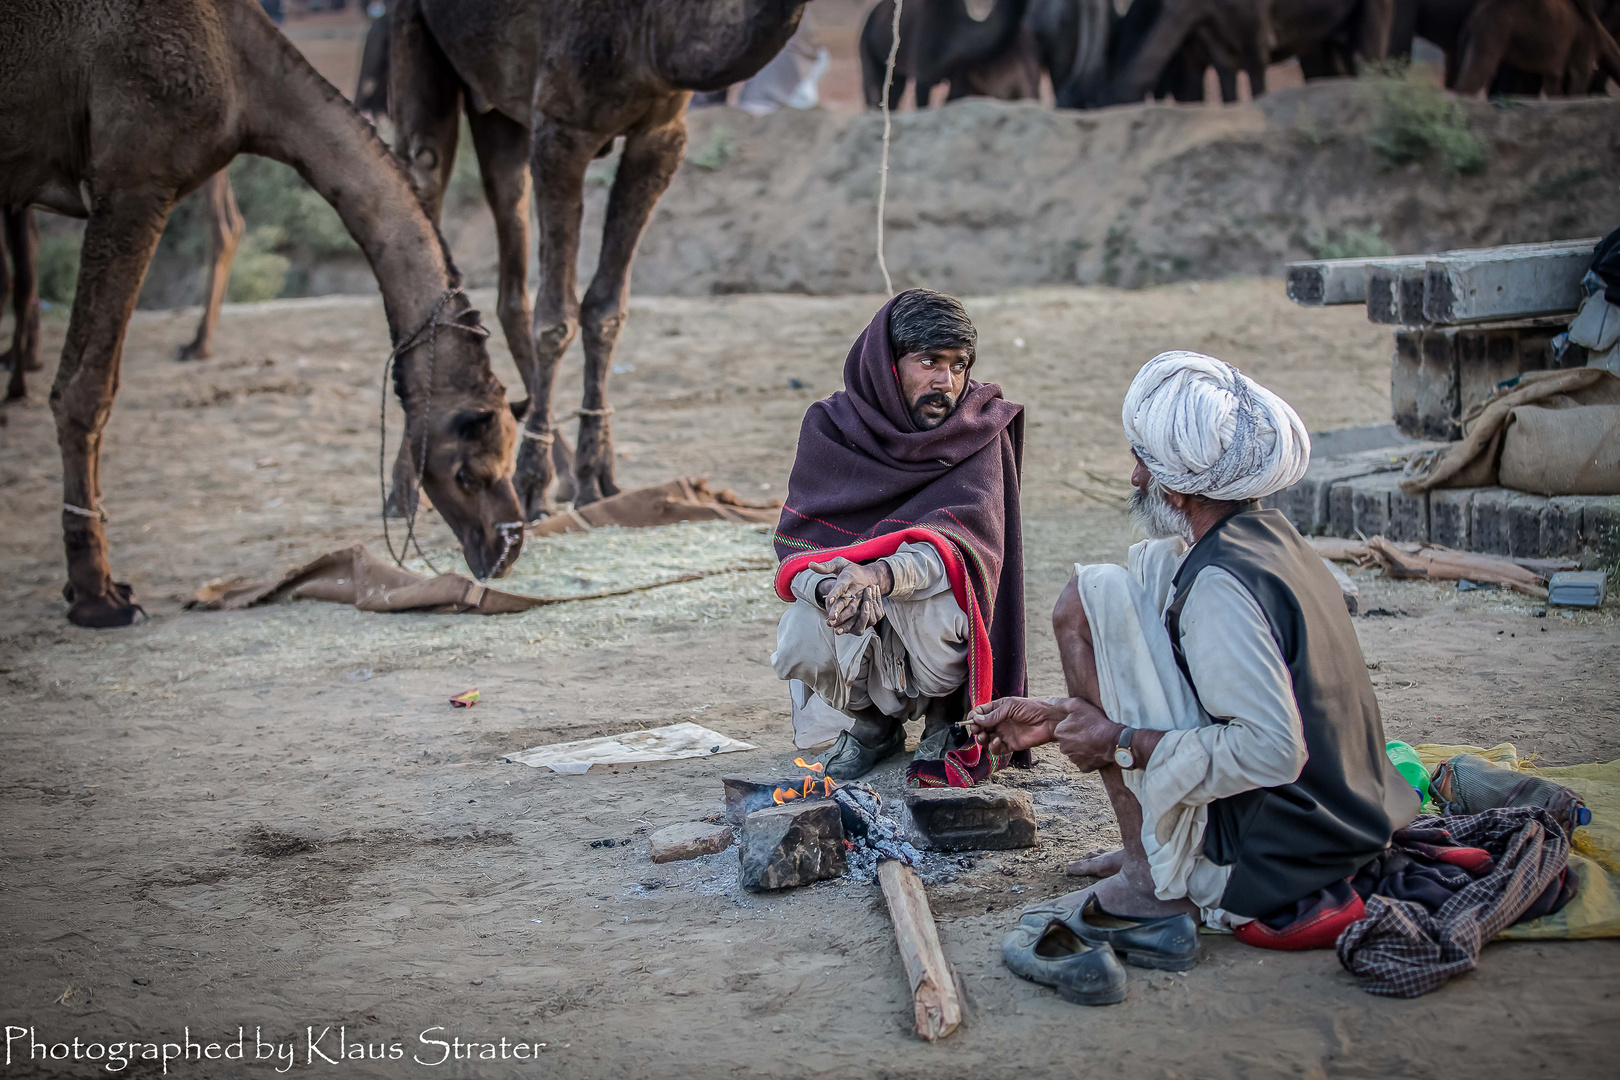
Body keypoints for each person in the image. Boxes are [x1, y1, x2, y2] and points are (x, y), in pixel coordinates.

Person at [971, 351, 1419, 930]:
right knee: (1118, 584)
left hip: (1284, 858)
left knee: (1091, 596)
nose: (1134, 477)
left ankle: (1154, 877)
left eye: (1141, 461)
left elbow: (1272, 751)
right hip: (1340, 819)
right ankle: (1153, 854)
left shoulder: (1220, 586)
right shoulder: (1273, 540)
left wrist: (1119, 739)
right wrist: (1061, 717)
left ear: (1179, 489)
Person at [769, 289, 1027, 785]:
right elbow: (796, 549)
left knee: (940, 601)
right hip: (853, 595)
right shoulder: (831, 428)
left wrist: (881, 575)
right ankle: (871, 728)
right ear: (888, 364)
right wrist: (834, 589)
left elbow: (964, 546)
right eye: (928, 361)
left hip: (924, 606)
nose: (945, 381)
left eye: (958, 365)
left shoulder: (977, 428)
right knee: (801, 631)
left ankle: (944, 720)